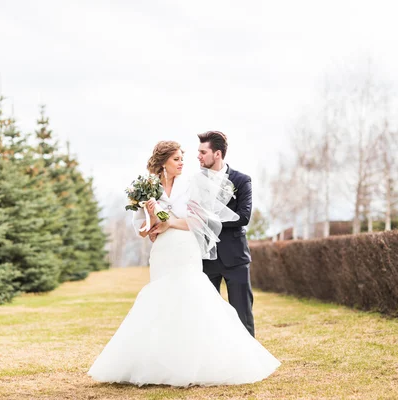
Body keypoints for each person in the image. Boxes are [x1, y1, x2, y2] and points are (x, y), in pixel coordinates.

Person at [88, 140, 279, 387]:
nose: (181, 163)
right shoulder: (147, 187)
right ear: (163, 162)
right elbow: (144, 231)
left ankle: (200, 362)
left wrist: (168, 221)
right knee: (162, 302)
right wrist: (151, 214)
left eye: (182, 159)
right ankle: (160, 363)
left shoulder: (190, 186)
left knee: (191, 297)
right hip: (162, 251)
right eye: (177, 159)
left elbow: (198, 221)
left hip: (185, 247)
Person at [198, 131, 256, 337]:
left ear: (218, 154)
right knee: (207, 315)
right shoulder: (195, 182)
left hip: (235, 258)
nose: (198, 156)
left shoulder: (241, 181)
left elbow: (243, 217)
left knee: (243, 313)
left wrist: (207, 219)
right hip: (206, 258)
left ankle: (250, 364)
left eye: (203, 152)